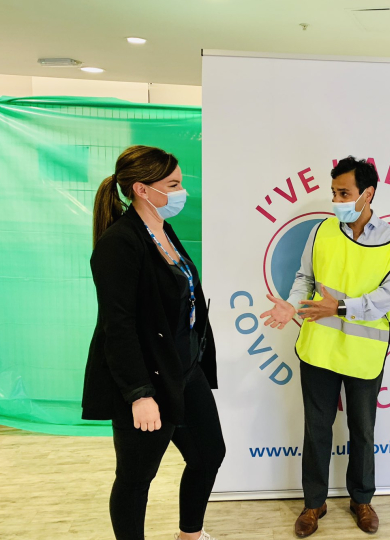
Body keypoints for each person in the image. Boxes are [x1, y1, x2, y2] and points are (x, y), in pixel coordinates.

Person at [261, 156, 390, 538]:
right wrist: (291, 304)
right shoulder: (322, 231)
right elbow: (304, 278)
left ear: (367, 194)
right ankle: (314, 503)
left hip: (364, 355)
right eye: (333, 193)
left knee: (362, 430)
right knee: (316, 430)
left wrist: (340, 308)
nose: (336, 200)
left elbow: (387, 300)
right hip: (320, 350)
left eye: (344, 193)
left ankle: (362, 500)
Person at [82, 145, 226, 540]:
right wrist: (139, 394)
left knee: (208, 454)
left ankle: (190, 536)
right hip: (148, 377)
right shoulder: (119, 243)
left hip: (184, 368)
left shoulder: (163, 229)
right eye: (173, 185)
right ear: (142, 189)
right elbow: (118, 327)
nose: (182, 192)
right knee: (136, 476)